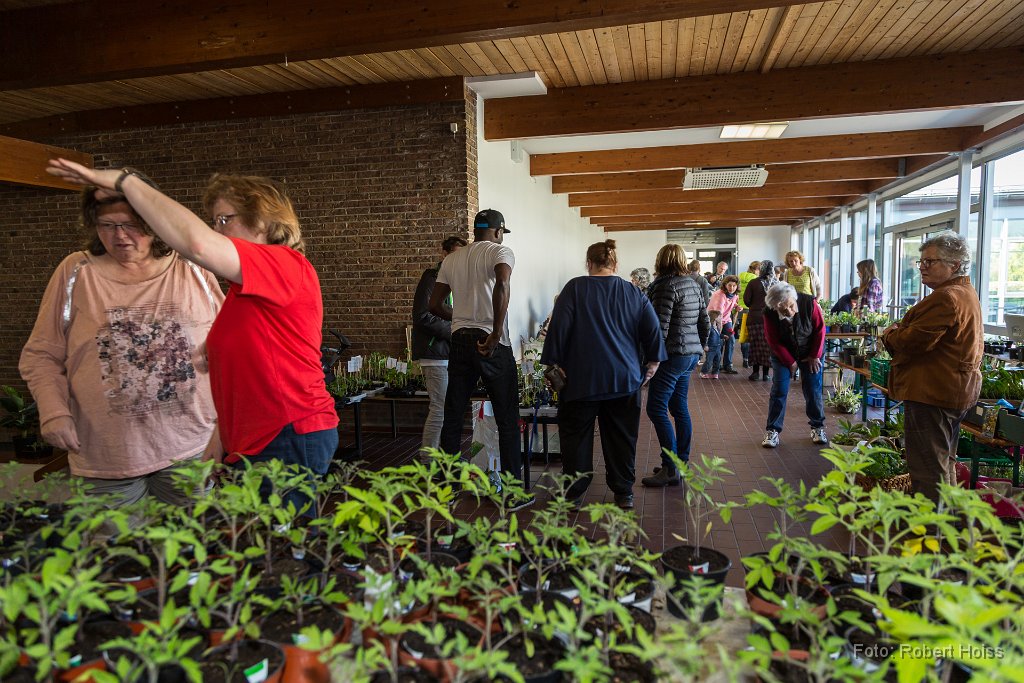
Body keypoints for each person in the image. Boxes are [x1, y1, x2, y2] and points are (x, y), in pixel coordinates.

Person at [46, 161, 340, 509]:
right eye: (214, 221)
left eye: (224, 219)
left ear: (262, 219)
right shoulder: (242, 291)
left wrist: (125, 183)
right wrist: (220, 439)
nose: (217, 230)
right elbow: (238, 375)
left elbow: (197, 245)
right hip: (256, 439)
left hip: (287, 434)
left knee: (276, 554)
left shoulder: (284, 264)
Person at [20, 180, 223, 506]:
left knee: (193, 549)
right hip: (106, 454)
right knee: (114, 554)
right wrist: (53, 412)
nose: (120, 236)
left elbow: (229, 345)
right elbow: (42, 353)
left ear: (153, 223)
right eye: (107, 226)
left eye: (132, 225)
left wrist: (227, 426)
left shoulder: (192, 269)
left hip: (191, 447)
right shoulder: (76, 272)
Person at [541, 240, 664, 509]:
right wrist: (653, 364)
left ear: (589, 264)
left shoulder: (574, 288)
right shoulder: (633, 292)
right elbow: (652, 331)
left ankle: (573, 494)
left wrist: (553, 362)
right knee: (622, 438)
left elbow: (557, 330)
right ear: (615, 264)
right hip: (624, 379)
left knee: (575, 438)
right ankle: (623, 493)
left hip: (580, 380)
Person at [429, 209, 532, 510]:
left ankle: (448, 486)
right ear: (499, 231)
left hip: (460, 340)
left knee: (453, 413)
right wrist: (495, 332)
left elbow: (434, 304)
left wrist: (459, 321)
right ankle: (512, 492)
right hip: (492, 342)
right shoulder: (501, 251)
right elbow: (502, 284)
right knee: (507, 417)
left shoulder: (452, 259)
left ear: (476, 230)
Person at [881, 231, 982, 503]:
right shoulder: (965, 292)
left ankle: (928, 536)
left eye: (931, 261)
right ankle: (943, 526)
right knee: (944, 460)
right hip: (953, 390)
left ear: (955, 265)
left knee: (927, 468)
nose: (923, 267)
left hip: (932, 392)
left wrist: (890, 334)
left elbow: (912, 342)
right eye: (921, 262)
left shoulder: (946, 297)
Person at [641, 245, 709, 488]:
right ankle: (681, 463)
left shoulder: (663, 286)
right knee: (679, 407)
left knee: (656, 408)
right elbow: (705, 319)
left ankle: (670, 468)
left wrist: (652, 361)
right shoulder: (692, 283)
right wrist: (702, 347)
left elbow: (658, 328)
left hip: (671, 355)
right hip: (690, 353)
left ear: (660, 260)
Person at [411, 235, 467, 454]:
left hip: (450, 355)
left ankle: (445, 456)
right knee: (440, 409)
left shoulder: (458, 280)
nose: (457, 258)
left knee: (449, 409)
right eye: (453, 253)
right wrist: (456, 332)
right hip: (434, 354)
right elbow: (423, 316)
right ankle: (428, 459)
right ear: (443, 254)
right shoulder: (432, 277)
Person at [760, 282, 828, 449]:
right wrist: (789, 361)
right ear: (776, 307)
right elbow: (773, 340)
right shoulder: (769, 312)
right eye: (783, 310)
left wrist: (814, 355)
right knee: (779, 390)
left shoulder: (808, 302)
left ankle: (817, 427)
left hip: (810, 351)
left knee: (812, 388)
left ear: (794, 298)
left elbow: (820, 329)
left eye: (791, 306)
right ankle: (772, 431)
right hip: (783, 353)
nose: (789, 312)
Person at [743, 260, 777, 382]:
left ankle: (755, 372)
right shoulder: (776, 284)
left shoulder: (753, 283)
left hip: (755, 318)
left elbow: (747, 300)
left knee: (755, 345)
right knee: (768, 346)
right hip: (771, 320)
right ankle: (766, 374)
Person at [703, 275, 741, 376]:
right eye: (729, 285)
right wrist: (719, 330)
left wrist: (737, 307)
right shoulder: (719, 295)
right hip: (714, 320)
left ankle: (727, 365)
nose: (732, 288)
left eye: (734, 286)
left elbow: (732, 304)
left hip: (726, 319)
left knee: (731, 339)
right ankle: (715, 364)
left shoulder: (735, 295)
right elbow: (717, 314)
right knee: (716, 342)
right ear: (725, 285)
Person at [737, 261, 760, 368]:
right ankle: (752, 359)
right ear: (756, 270)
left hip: (739, 310)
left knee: (743, 335)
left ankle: (745, 359)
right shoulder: (755, 280)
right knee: (752, 335)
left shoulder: (740, 276)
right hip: (751, 310)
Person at [700, 311, 724, 379]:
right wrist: (705, 345)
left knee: (717, 361)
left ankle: (715, 372)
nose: (721, 318)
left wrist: (723, 336)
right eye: (720, 316)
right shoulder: (709, 327)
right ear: (715, 317)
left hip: (717, 347)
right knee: (709, 361)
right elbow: (706, 336)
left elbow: (718, 335)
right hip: (711, 347)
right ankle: (703, 372)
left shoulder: (716, 326)